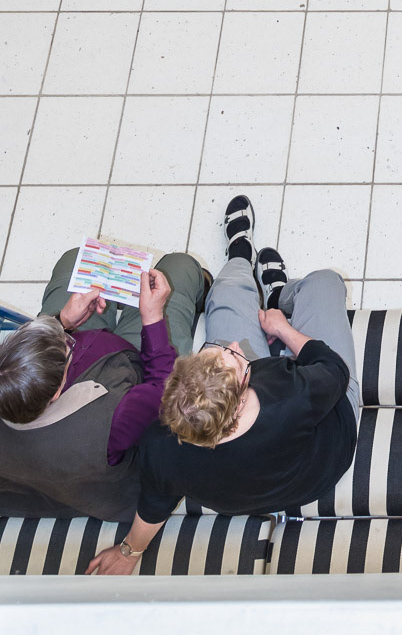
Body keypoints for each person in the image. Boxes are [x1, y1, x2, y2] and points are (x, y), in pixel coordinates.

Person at [87, 195, 359, 576]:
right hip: (323, 454)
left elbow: (154, 504)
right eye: (235, 357)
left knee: (227, 294)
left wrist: (129, 551)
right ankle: (281, 296)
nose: (234, 345)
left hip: (248, 491)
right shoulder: (290, 395)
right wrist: (283, 329)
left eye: (215, 351)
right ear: (241, 395)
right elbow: (332, 369)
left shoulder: (163, 443)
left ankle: (240, 255)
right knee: (325, 283)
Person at [0, 248, 205, 521]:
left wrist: (61, 322)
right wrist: (152, 317)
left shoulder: (10, 381)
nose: (69, 339)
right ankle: (198, 287)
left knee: (74, 260)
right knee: (179, 267)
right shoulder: (108, 421)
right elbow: (165, 389)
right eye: (66, 345)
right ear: (56, 392)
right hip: (139, 371)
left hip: (54, 481)